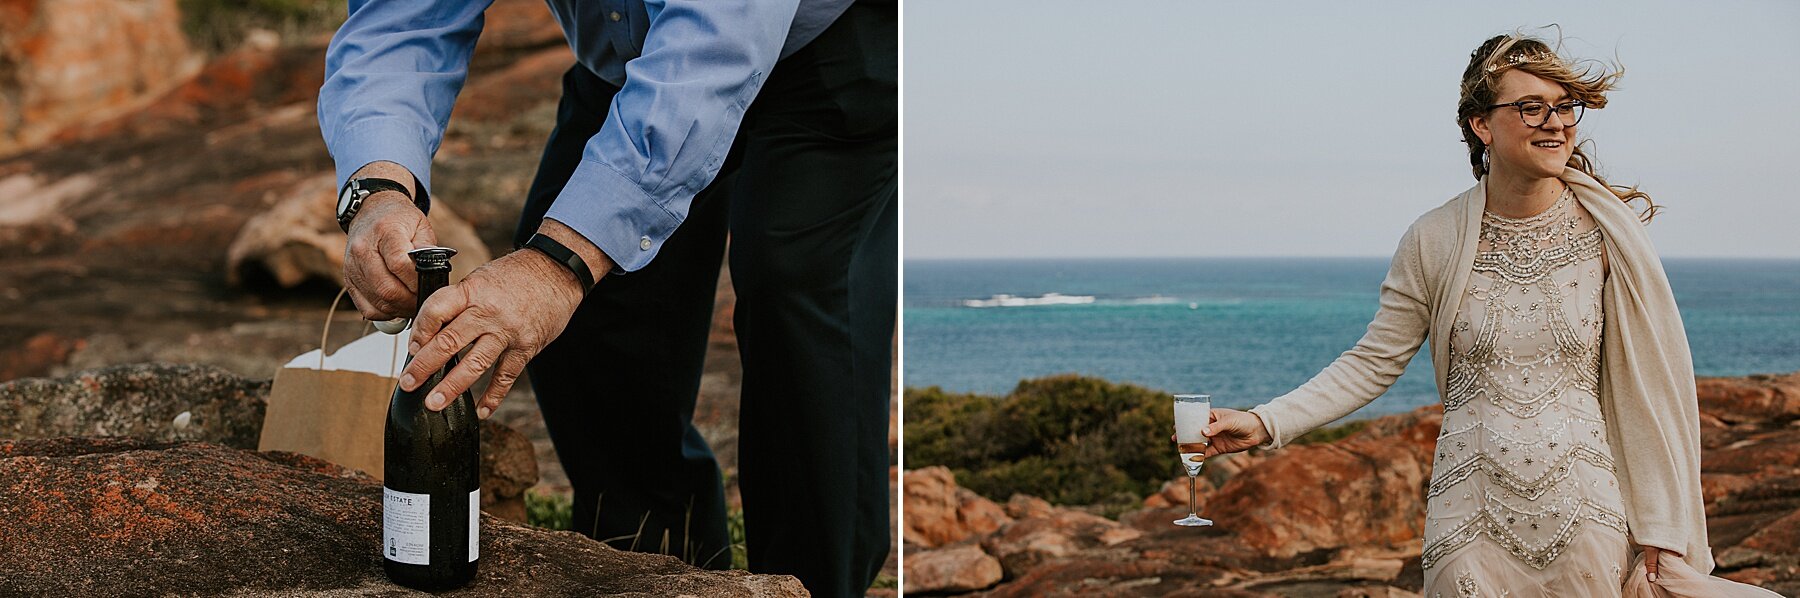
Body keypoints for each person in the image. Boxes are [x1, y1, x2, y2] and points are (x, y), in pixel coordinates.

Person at [317, 1, 895, 596]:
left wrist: (557, 267)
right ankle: (663, 571)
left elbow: (715, 46)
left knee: (797, 298)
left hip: (821, 53)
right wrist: (380, 191)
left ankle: (812, 584)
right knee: (592, 327)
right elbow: (404, 19)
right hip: (627, 64)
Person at [1199, 33, 1780, 597]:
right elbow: (1372, 362)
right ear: (1481, 125)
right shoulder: (1433, 238)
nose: (1554, 122)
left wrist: (1660, 527)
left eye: (1564, 107)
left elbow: (1652, 389)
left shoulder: (1609, 235)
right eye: (1530, 107)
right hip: (1467, 516)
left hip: (1586, 515)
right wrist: (1266, 421)